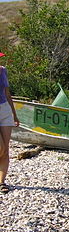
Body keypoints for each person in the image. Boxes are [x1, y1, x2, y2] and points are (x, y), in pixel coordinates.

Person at [0, 52, 19, 194]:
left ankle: (1, 182)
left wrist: (14, 114)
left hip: (5, 110)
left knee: (5, 149)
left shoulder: (3, 70)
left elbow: (7, 93)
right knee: (0, 147)